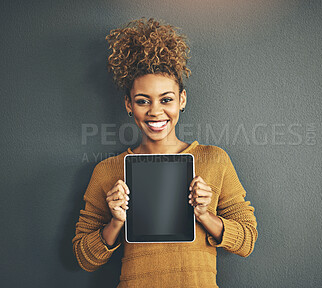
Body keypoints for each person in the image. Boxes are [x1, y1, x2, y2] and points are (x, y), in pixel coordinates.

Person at [72, 17, 258, 287]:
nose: (155, 111)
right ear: (128, 104)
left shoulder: (214, 160)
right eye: (142, 101)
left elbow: (247, 241)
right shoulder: (109, 170)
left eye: (166, 99)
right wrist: (115, 222)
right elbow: (84, 258)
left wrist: (205, 214)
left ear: (181, 100)